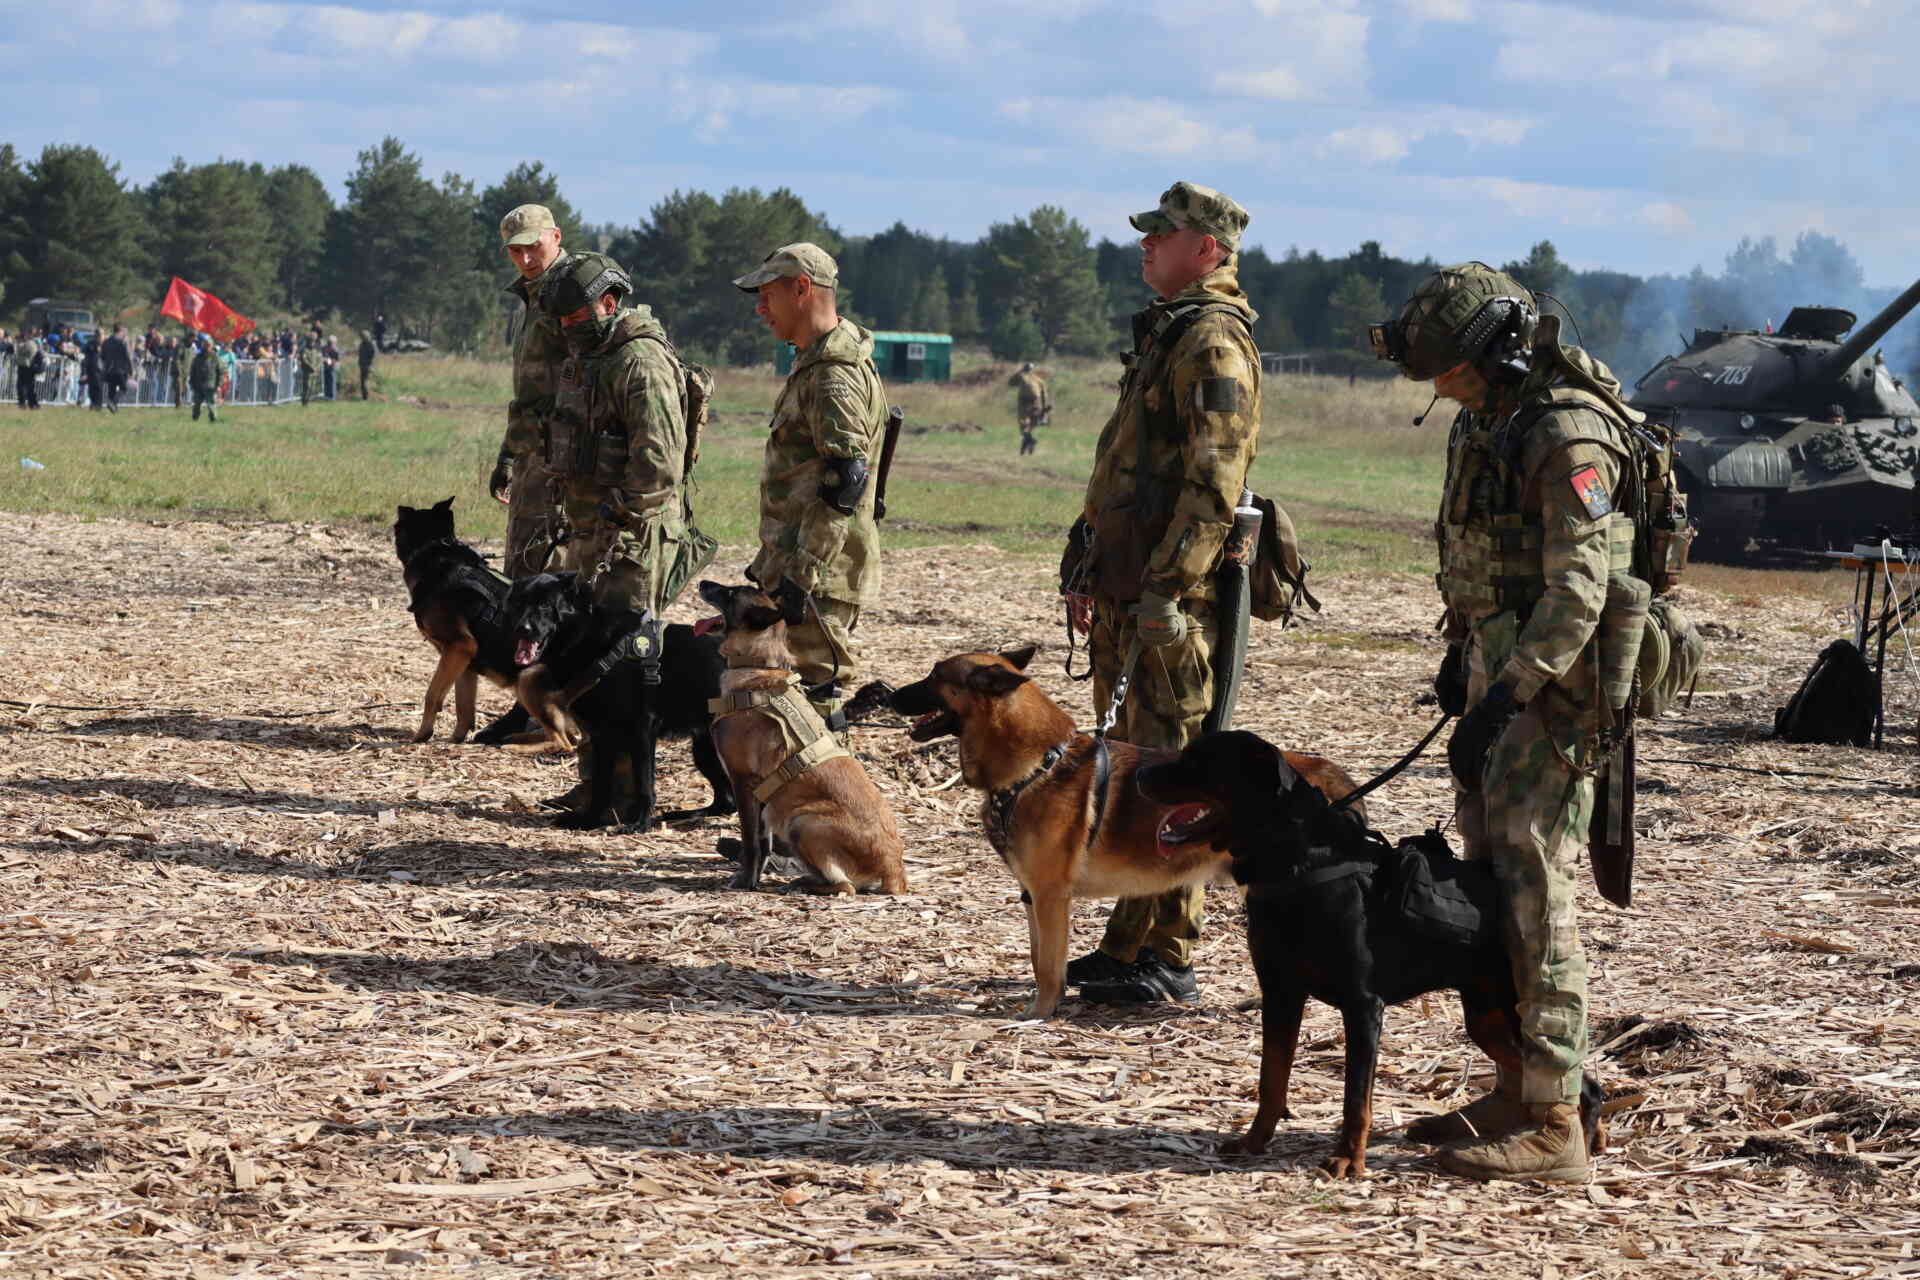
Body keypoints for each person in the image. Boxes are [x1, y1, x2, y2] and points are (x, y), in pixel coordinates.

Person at [1370, 262, 1635, 1183]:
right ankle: (1517, 1083)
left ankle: (1559, 1123)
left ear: (1502, 353)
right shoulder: (1492, 420)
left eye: (1451, 369)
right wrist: (1465, 660)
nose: (1439, 387)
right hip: (1500, 676)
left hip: (1550, 696)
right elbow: (1484, 559)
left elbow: (1578, 592)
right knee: (1489, 884)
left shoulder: (1566, 436)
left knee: (1534, 890)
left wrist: (1507, 694)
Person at [1058, 181, 1262, 1007]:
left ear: (1207, 249)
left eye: (1162, 236)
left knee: (1178, 768)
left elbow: (1215, 483)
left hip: (1166, 602)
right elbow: (1126, 473)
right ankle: (1130, 937)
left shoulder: (1212, 342)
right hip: (1128, 589)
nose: (1145, 246)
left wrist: (1168, 590)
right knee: (1130, 766)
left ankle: (1170, 951)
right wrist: (1088, 569)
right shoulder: (1169, 334)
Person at [535, 250, 707, 817]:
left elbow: (657, 470)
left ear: (609, 303)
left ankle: (627, 796)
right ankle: (597, 785)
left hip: (631, 542)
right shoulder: (588, 356)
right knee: (588, 668)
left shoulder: (641, 363)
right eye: (561, 321)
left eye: (576, 318)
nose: (567, 330)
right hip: (592, 535)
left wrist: (612, 526)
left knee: (622, 670)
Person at [732, 242, 889, 724]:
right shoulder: (816, 362)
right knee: (785, 704)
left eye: (767, 295)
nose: (759, 309)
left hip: (818, 574)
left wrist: (802, 573)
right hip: (799, 565)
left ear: (802, 288)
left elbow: (846, 483)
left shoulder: (833, 377)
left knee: (816, 700)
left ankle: (826, 799)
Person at [489, 203, 572, 581]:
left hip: (566, 460)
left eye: (533, 247)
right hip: (534, 455)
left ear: (556, 237)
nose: (524, 258)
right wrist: (509, 457)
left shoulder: (575, 293)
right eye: (514, 250)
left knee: (549, 575)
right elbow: (530, 393)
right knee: (526, 567)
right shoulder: (535, 295)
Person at [1008, 360, 1052, 455]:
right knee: (1029, 426)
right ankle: (1028, 443)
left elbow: (1011, 382)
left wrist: (1019, 372)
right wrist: (1044, 409)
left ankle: (1030, 441)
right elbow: (1044, 396)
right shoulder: (1038, 380)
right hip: (1035, 404)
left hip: (1026, 404)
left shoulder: (1023, 377)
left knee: (1024, 426)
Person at [101, 324, 133, 413]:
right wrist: (131, 370)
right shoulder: (122, 342)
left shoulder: (106, 341)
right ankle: (113, 403)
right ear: (120, 331)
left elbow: (102, 356)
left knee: (112, 389)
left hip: (109, 369)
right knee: (123, 388)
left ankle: (114, 409)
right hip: (120, 369)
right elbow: (127, 357)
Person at [188, 338, 221, 422]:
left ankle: (213, 420)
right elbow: (193, 371)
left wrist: (219, 385)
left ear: (211, 346)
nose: (206, 347)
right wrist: (191, 383)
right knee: (196, 405)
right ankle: (195, 419)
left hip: (210, 385)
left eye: (208, 345)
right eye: (205, 345)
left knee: (211, 405)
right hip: (198, 385)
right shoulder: (198, 357)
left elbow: (220, 371)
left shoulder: (215, 357)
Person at [15, 330, 42, 409]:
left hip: (27, 368)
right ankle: (31, 404)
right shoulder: (29, 344)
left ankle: (28, 404)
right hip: (25, 367)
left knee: (25, 387)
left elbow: (24, 353)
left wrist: (18, 346)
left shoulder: (29, 344)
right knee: (26, 387)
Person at [298, 336, 320, 406]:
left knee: (312, 388)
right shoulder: (305, 350)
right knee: (307, 387)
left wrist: (317, 368)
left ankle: (307, 400)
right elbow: (304, 360)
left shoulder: (315, 350)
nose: (312, 343)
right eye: (311, 341)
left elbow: (319, 360)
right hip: (307, 372)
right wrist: (311, 367)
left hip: (314, 373)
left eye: (313, 342)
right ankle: (304, 402)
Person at [170, 335, 190, 408]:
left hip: (185, 372)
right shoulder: (180, 347)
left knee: (184, 388)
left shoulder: (188, 348)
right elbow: (177, 359)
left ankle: (182, 402)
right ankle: (178, 404)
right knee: (179, 388)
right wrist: (179, 370)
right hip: (178, 372)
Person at [357, 331, 376, 399]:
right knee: (363, 382)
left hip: (368, 365)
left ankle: (366, 397)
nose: (362, 338)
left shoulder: (371, 344)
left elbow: (373, 355)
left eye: (362, 336)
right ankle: (364, 397)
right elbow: (360, 354)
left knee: (365, 382)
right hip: (362, 365)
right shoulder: (362, 344)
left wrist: (370, 364)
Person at [322, 334, 340, 400]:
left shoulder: (335, 350)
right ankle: (327, 396)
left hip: (333, 368)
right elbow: (323, 355)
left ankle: (332, 397)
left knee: (332, 382)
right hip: (326, 367)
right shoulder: (324, 348)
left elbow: (336, 360)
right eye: (329, 342)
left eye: (331, 342)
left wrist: (328, 360)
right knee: (326, 382)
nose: (329, 344)